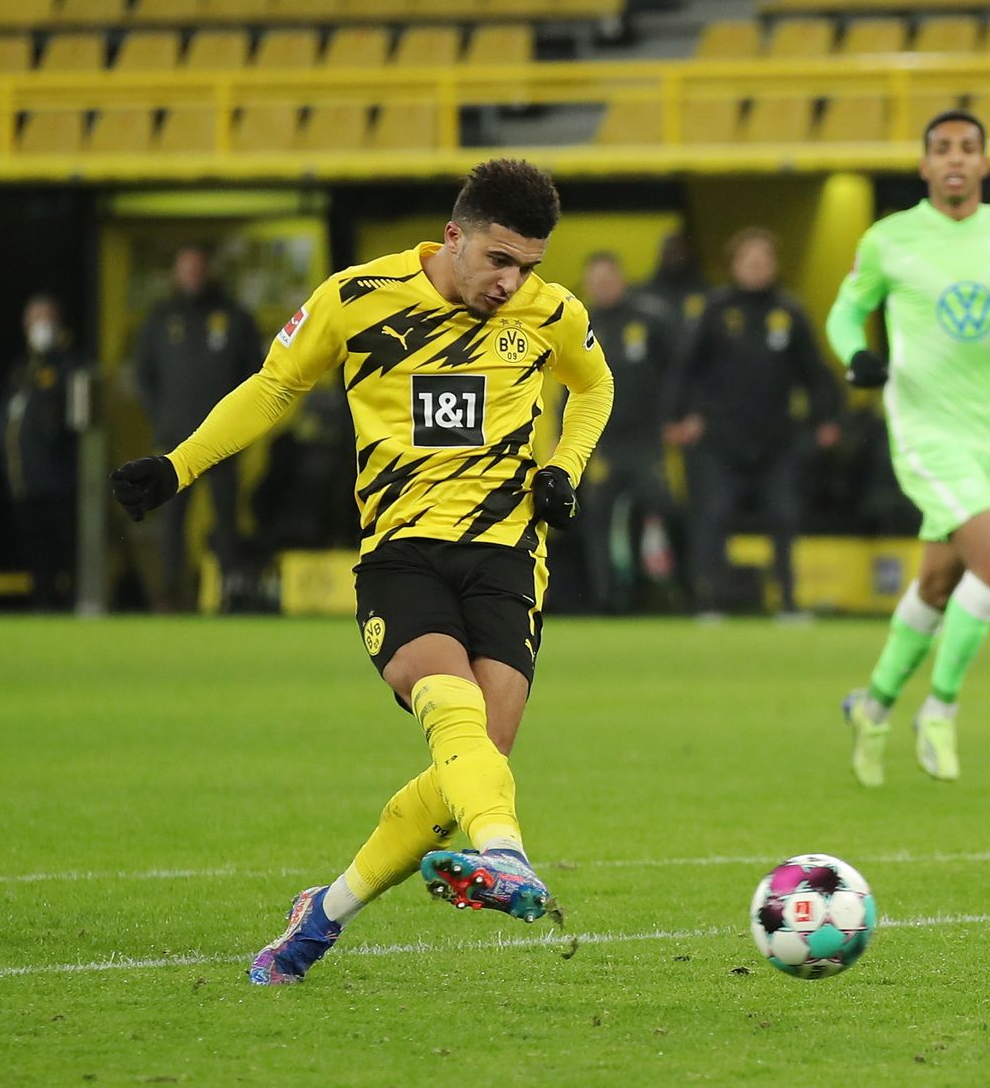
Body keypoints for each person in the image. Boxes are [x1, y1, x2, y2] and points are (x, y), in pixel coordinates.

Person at [109, 159, 614, 984]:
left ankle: (323, 914)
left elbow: (594, 387)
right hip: (401, 552)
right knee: (453, 716)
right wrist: (178, 467)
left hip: (510, 556)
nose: (512, 281)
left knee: (475, 764)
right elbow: (275, 388)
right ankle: (509, 854)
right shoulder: (356, 297)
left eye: (527, 266)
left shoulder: (552, 313)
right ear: (453, 236)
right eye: (498, 259)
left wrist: (567, 465)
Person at [825, 109, 990, 786]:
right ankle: (939, 709)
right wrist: (856, 354)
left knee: (940, 580)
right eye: (941, 147)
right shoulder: (889, 238)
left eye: (967, 148)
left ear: (985, 164)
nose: (954, 158)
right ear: (923, 166)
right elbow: (844, 309)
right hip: (924, 429)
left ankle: (874, 703)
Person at [670, 227, 840, 619]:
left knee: (784, 518)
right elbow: (686, 369)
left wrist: (826, 417)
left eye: (764, 261)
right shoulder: (714, 310)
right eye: (749, 260)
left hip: (776, 437)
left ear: (774, 266)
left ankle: (789, 603)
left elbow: (814, 372)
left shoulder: (789, 312)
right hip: (721, 437)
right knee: (713, 517)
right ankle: (709, 601)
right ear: (734, 265)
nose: (757, 267)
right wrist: (680, 416)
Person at [131, 244, 261, 611]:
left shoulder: (234, 316)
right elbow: (143, 375)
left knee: (227, 519)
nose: (192, 275)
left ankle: (231, 595)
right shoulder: (161, 318)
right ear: (176, 273)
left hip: (223, 439)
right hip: (176, 442)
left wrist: (242, 426)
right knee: (172, 521)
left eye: (198, 267)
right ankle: (171, 595)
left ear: (209, 271)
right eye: (185, 268)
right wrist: (163, 418)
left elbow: (257, 374)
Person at [577, 250, 679, 612]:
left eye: (607, 279)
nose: (602, 286)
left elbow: (677, 371)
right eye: (595, 281)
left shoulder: (650, 319)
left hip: (648, 440)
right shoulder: (580, 323)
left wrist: (677, 416)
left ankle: (669, 591)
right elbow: (567, 383)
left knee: (664, 508)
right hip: (602, 441)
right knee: (596, 519)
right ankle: (606, 599)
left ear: (621, 279)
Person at [0, 294, 80, 610]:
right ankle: (42, 609)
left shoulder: (69, 365)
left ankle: (73, 608)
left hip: (60, 481)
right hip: (24, 481)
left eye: (47, 319)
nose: (41, 326)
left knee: (66, 551)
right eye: (35, 320)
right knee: (36, 555)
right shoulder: (21, 370)